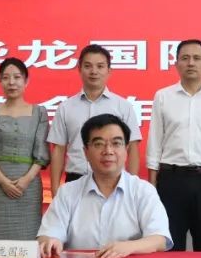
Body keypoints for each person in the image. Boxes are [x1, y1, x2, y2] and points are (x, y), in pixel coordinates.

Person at [37, 114, 171, 258]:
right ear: (86, 152)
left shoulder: (143, 190)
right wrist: (50, 241)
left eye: (116, 143)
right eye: (99, 144)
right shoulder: (67, 192)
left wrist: (129, 247)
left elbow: (160, 239)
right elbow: (48, 234)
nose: (108, 151)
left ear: (126, 149)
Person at [146, 39, 201, 251]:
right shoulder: (163, 96)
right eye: (185, 58)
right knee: (171, 247)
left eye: (197, 58)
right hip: (171, 180)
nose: (191, 63)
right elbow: (155, 141)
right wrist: (152, 186)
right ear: (176, 64)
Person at [47, 44, 142, 196]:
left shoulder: (123, 106)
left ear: (109, 70)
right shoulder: (66, 107)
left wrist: (133, 187)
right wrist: (55, 190)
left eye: (100, 66)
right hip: (75, 180)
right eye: (88, 66)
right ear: (79, 69)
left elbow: (132, 148)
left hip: (114, 181)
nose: (94, 71)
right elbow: (58, 150)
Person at [0, 57, 50, 240]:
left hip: (29, 185)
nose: (11, 82)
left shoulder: (39, 112)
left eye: (17, 77)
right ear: (0, 81)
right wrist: (2, 181)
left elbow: (41, 153)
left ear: (26, 81)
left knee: (29, 239)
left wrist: (26, 180)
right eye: (6, 77)